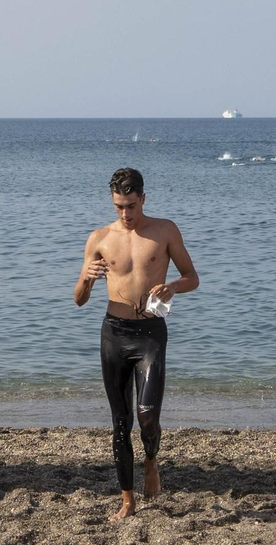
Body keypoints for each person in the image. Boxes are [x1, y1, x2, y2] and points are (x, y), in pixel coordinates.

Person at [74, 167, 199, 521]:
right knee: (120, 421)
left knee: (147, 415)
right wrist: (87, 278)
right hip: (114, 332)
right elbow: (79, 299)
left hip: (150, 334)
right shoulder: (99, 238)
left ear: (143, 198)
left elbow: (193, 277)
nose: (125, 214)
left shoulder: (164, 231)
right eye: (118, 206)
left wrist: (173, 286)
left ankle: (151, 460)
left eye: (131, 205)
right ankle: (127, 501)